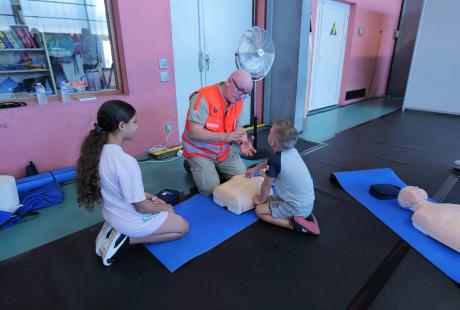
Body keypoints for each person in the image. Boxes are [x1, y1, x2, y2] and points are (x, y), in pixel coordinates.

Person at [76, 100, 189, 266]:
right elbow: (141, 207)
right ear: (122, 126)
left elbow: (113, 187)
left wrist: (144, 195)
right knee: (183, 227)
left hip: (111, 214)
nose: (137, 126)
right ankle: (127, 238)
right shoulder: (125, 162)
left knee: (156, 202)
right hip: (128, 221)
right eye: (134, 122)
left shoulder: (97, 152)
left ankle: (119, 232)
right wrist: (166, 208)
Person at [182, 69, 257, 195]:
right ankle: (191, 163)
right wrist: (225, 137)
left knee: (244, 179)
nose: (241, 96)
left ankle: (210, 168)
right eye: (240, 90)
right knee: (212, 190)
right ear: (228, 82)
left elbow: (239, 128)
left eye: (246, 93)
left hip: (223, 153)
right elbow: (193, 132)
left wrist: (242, 141)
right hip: (200, 152)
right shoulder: (203, 97)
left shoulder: (238, 102)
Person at [245, 120, 320, 235]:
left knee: (259, 210)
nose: (268, 133)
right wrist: (254, 169)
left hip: (297, 207)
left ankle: (294, 224)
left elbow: (266, 185)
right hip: (307, 203)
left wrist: (260, 199)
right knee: (268, 199)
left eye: (270, 132)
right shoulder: (292, 151)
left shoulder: (276, 160)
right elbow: (269, 162)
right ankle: (301, 216)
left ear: (272, 141)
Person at [398, 186, 460, 253]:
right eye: (414, 189)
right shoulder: (420, 216)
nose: (417, 188)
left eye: (418, 188)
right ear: (406, 203)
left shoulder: (446, 206)